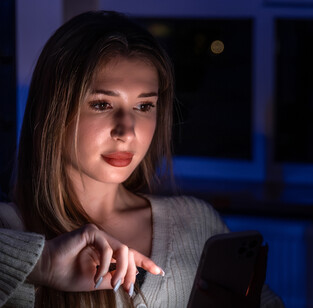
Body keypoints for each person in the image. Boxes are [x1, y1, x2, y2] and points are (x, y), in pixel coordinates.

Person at [0, 10, 284, 307]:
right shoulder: (10, 230)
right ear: (53, 112)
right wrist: (41, 265)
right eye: (101, 104)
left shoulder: (196, 223)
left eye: (144, 106)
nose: (127, 131)